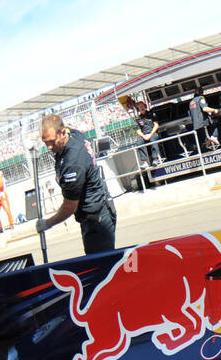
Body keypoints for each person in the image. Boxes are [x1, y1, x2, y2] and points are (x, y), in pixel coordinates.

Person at [35, 114, 116, 255]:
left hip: (96, 219)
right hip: (98, 208)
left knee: (102, 268)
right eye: (45, 142)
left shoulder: (73, 163)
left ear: (62, 132)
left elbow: (70, 206)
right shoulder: (73, 135)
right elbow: (53, 122)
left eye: (52, 141)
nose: (49, 147)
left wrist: (47, 223)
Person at [133, 97, 163, 165]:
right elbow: (138, 130)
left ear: (144, 105)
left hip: (152, 133)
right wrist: (144, 136)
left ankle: (155, 159)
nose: (141, 107)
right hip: (144, 135)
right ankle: (144, 162)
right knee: (139, 142)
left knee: (153, 139)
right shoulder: (138, 118)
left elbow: (156, 125)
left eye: (142, 105)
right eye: (139, 106)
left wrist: (150, 134)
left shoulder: (151, 114)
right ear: (138, 108)